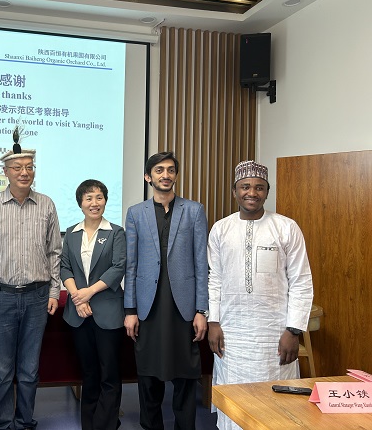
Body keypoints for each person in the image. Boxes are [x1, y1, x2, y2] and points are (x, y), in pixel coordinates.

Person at [207, 160, 314, 430]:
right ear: (234, 191)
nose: (251, 193)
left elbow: (301, 281)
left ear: (267, 192)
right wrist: (213, 322)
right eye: (245, 186)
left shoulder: (286, 228)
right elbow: (214, 278)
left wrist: (293, 330)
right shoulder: (221, 229)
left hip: (274, 334)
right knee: (235, 399)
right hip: (232, 334)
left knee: (275, 405)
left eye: (259, 187)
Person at [0, 143, 61, 430]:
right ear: (6, 172)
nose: (24, 172)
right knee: (2, 371)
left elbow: (54, 252)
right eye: (17, 168)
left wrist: (54, 291)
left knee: (30, 370)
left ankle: (24, 422)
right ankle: (1, 423)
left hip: (37, 297)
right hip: (0, 297)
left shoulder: (46, 204)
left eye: (29, 167)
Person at [124, 151, 208, 430]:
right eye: (159, 170)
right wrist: (130, 310)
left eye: (171, 170)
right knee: (148, 376)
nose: (166, 175)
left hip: (183, 307)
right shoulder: (136, 213)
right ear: (148, 177)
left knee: (186, 375)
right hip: (148, 307)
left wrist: (201, 310)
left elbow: (201, 263)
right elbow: (131, 265)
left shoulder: (194, 210)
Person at [60, 179, 126, 430]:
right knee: (88, 373)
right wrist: (77, 297)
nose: (94, 203)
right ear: (80, 203)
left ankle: (106, 424)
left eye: (99, 197)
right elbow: (65, 267)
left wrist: (88, 293)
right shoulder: (71, 233)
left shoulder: (116, 232)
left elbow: (118, 267)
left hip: (108, 312)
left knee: (109, 373)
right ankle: (89, 424)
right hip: (79, 313)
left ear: (105, 201)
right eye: (88, 198)